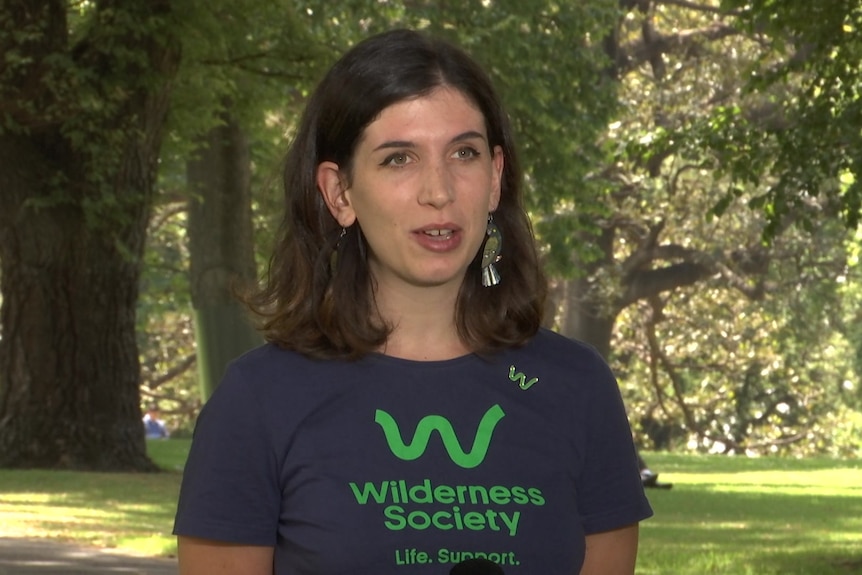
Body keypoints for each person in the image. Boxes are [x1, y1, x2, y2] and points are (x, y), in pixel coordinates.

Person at [173, 28, 653, 575]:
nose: (439, 191)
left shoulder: (578, 388)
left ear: (495, 179)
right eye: (399, 159)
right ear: (339, 193)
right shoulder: (258, 401)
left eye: (464, 153)